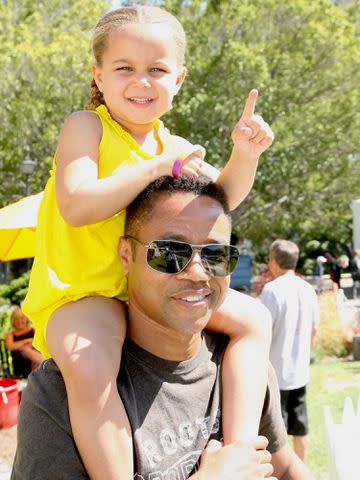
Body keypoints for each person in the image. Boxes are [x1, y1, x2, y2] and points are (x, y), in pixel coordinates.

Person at [21, 5, 275, 480]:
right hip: (85, 293)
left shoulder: (171, 146)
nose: (142, 81)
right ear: (98, 74)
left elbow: (221, 200)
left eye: (157, 69)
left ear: (179, 78)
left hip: (152, 291)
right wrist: (157, 167)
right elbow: (77, 204)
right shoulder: (88, 126)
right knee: (89, 361)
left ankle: (239, 452)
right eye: (125, 68)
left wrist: (245, 153)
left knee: (254, 318)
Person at [12, 175, 313, 480]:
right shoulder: (59, 393)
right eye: (170, 253)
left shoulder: (243, 366)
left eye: (215, 255)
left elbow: (283, 464)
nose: (198, 273)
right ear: (126, 256)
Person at [261, 240, 319, 463]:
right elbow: (315, 330)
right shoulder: (308, 289)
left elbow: (263, 330)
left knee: (277, 436)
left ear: (274, 261)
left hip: (275, 373)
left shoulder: (272, 290)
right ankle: (301, 470)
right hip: (300, 372)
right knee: (301, 428)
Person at [4, 306, 44, 378]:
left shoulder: (33, 330)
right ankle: (44, 363)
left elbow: (39, 343)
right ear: (13, 321)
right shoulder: (10, 334)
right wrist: (27, 341)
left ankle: (36, 376)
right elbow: (10, 346)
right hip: (20, 364)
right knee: (25, 349)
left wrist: (19, 345)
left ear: (26, 319)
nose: (19, 321)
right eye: (16, 319)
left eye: (22, 318)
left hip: (35, 363)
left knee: (36, 362)